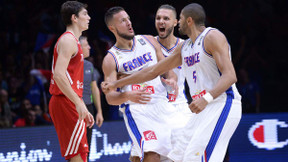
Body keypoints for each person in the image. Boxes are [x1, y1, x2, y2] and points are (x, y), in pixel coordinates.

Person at [102, 3, 242, 162]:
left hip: (219, 102)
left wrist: (205, 98)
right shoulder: (185, 47)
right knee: (182, 156)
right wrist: (116, 85)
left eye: (179, 19)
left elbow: (230, 76)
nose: (177, 23)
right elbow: (151, 71)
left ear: (188, 21)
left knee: (200, 157)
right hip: (195, 107)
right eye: (159, 18)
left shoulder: (211, 36)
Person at [102, 6, 181, 162]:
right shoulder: (111, 59)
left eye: (128, 19)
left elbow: (167, 70)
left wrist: (172, 79)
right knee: (151, 155)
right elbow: (110, 97)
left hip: (162, 103)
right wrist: (127, 95)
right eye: (122, 21)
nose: (129, 23)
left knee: (179, 154)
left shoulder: (149, 40)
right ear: (112, 28)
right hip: (137, 109)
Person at [49, 1, 94, 162]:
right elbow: (59, 76)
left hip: (70, 100)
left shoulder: (75, 41)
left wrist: (80, 102)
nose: (88, 17)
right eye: (85, 14)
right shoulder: (68, 41)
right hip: (65, 102)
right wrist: (78, 103)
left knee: (81, 154)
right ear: (74, 18)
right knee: (78, 156)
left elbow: (71, 79)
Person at [79, 35, 104, 152]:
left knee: (87, 147)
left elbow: (94, 88)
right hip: (75, 109)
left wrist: (99, 111)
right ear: (78, 47)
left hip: (89, 109)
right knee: (76, 148)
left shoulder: (89, 65)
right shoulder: (68, 64)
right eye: (86, 45)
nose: (89, 47)